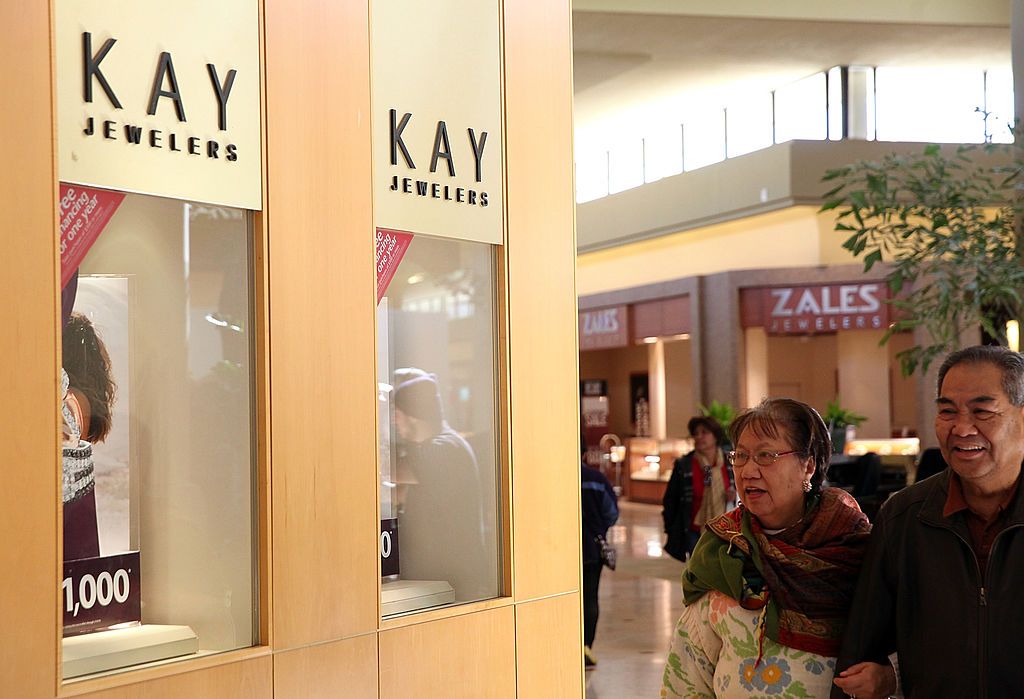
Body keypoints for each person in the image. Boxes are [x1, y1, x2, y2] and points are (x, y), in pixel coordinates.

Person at [833, 345, 1024, 699]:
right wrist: (890, 678)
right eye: (948, 411)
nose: (962, 428)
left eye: (982, 411)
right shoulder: (904, 518)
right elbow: (862, 655)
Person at [663, 398, 871, 698]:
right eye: (741, 456)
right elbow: (687, 672)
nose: (748, 470)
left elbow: (903, 653)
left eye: (765, 456)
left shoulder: (856, 548)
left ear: (808, 465)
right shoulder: (721, 550)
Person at [392, 369, 490, 601]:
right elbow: (399, 494)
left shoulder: (444, 448)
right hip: (439, 583)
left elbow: (394, 472)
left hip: (456, 585)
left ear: (412, 415)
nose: (393, 421)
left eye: (396, 413)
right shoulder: (432, 448)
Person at [662, 416, 736, 561]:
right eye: (695, 433)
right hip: (694, 529)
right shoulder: (685, 465)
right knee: (700, 571)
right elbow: (671, 499)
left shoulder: (730, 462)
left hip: (725, 528)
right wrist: (670, 527)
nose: (699, 437)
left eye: (704, 432)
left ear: (715, 436)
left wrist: (734, 494)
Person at [582, 447, 619, 669]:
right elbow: (612, 513)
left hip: (558, 552)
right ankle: (586, 647)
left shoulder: (554, 476)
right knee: (590, 598)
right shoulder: (596, 479)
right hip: (592, 550)